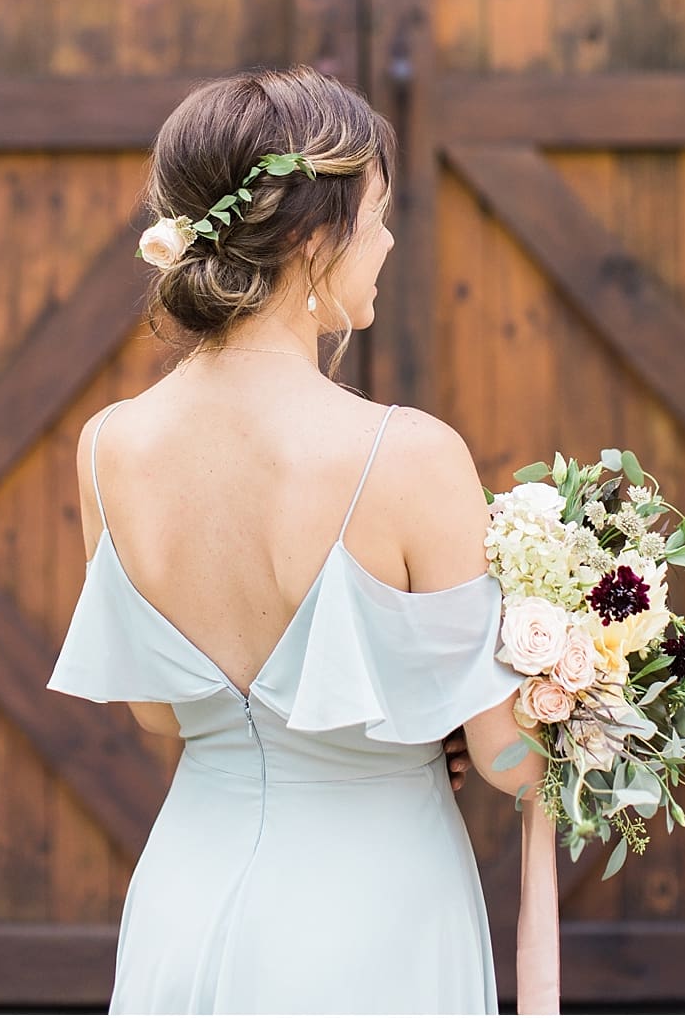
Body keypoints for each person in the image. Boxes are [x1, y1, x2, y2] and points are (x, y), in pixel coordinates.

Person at [48, 66, 543, 1014]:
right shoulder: (407, 455)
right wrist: (596, 684)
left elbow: (161, 716)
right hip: (373, 917)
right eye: (379, 215)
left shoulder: (108, 445)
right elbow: (508, 760)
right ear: (317, 239)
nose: (389, 241)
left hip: (183, 895)